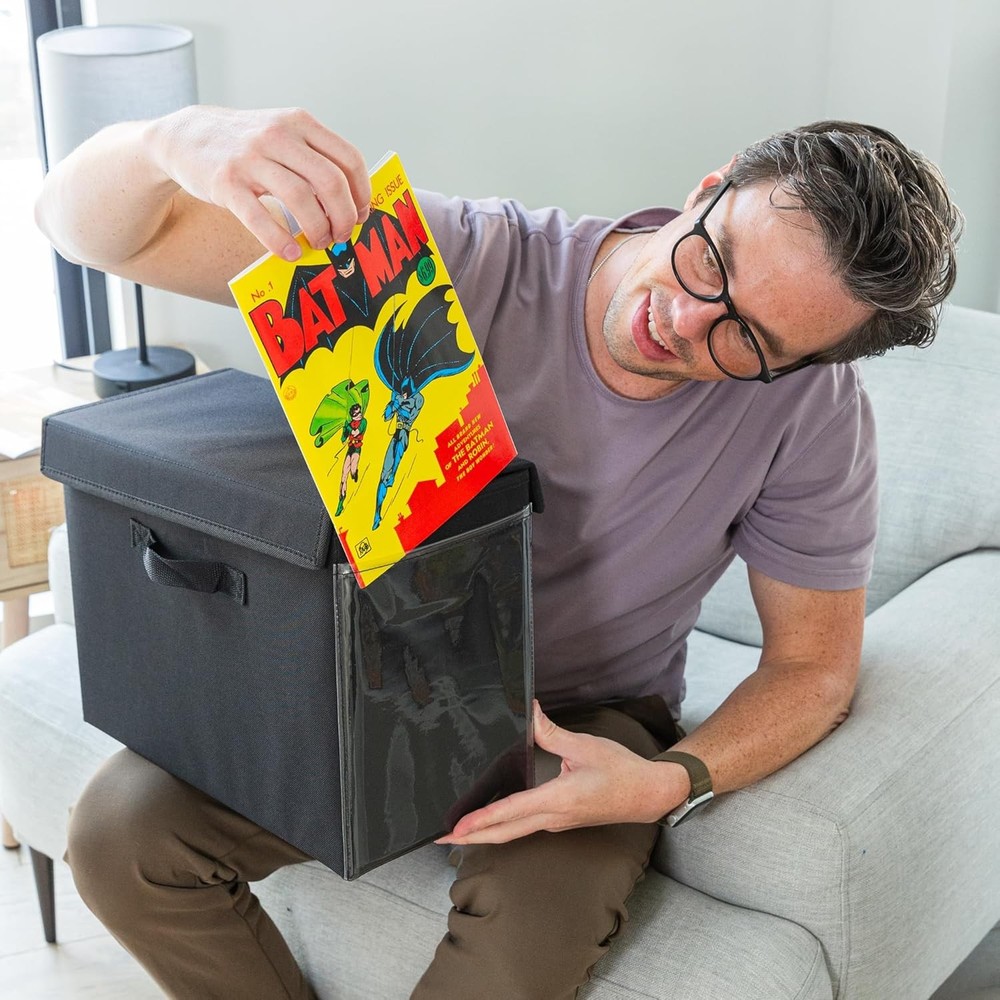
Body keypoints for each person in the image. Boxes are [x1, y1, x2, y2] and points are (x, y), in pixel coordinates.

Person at [35, 107, 961, 1000]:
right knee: (123, 833)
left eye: (748, 338)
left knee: (525, 945)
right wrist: (168, 140)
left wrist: (668, 781)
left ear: (800, 364)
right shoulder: (454, 257)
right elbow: (84, 229)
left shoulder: (811, 419)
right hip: (359, 672)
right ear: (708, 190)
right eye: (709, 260)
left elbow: (813, 666)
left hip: (578, 721)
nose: (684, 318)